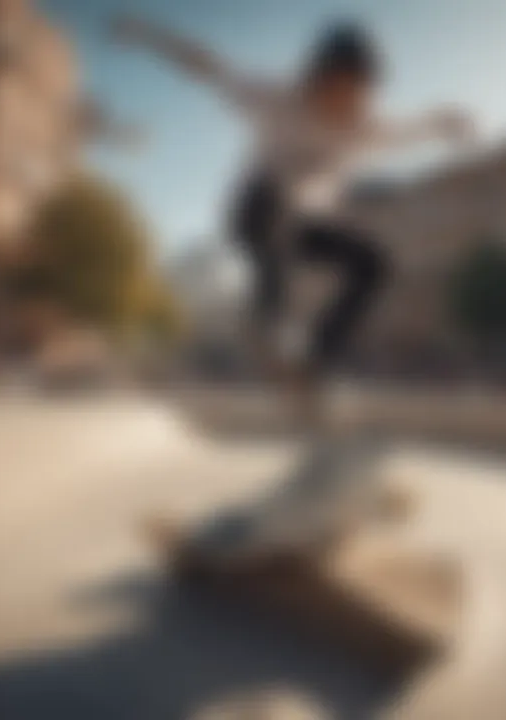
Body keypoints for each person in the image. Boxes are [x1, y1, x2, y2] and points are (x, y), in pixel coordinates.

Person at [110, 15, 476, 422]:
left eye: (354, 93)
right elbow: (207, 66)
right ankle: (268, 324)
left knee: (374, 265)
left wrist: (447, 122)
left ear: (365, 91)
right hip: (252, 211)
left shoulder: (364, 127)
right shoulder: (275, 97)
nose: (342, 102)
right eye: (334, 89)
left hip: (301, 224)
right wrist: (145, 33)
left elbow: (411, 129)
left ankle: (315, 365)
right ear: (315, 79)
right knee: (272, 212)